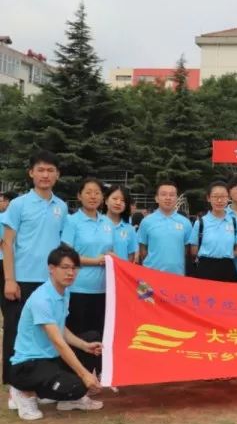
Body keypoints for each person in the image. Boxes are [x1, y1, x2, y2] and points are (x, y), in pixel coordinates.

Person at [7, 245, 103, 421]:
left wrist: (84, 345)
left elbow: (61, 328)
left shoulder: (64, 292)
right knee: (79, 386)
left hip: (50, 359)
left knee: (92, 340)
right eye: (65, 267)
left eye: (74, 268)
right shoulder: (41, 299)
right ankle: (23, 392)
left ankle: (67, 398)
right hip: (28, 365)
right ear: (51, 269)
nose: (70, 273)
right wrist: (84, 374)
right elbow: (58, 341)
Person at [3, 150, 67, 393]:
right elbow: (7, 243)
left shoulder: (61, 206)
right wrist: (10, 279)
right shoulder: (18, 204)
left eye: (50, 170)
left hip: (49, 282)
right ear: (31, 173)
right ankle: (15, 386)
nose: (45, 175)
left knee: (47, 333)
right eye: (40, 170)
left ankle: (43, 384)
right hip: (22, 280)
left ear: (57, 175)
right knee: (16, 332)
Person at [61, 178, 114, 337]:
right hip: (78, 288)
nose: (93, 196)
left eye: (97, 193)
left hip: (104, 289)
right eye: (88, 192)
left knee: (99, 335)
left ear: (102, 197)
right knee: (79, 335)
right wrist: (95, 261)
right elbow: (66, 255)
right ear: (79, 196)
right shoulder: (72, 221)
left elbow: (110, 252)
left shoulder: (107, 222)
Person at [188, 181, 237, 282]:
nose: (219, 200)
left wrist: (225, 256)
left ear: (228, 198)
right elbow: (194, 251)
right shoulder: (200, 223)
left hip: (228, 268)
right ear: (208, 198)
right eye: (215, 196)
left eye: (223, 196)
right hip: (205, 268)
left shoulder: (234, 222)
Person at [137, 181, 192, 275]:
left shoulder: (185, 223)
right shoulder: (146, 221)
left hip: (177, 275)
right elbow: (142, 249)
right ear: (157, 198)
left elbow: (186, 249)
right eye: (163, 194)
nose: (168, 198)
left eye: (172, 195)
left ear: (176, 198)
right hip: (151, 274)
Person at [103, 185, 138, 262]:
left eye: (122, 200)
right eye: (115, 199)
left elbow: (130, 257)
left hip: (120, 269)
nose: (118, 203)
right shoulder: (97, 224)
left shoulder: (130, 229)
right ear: (106, 201)